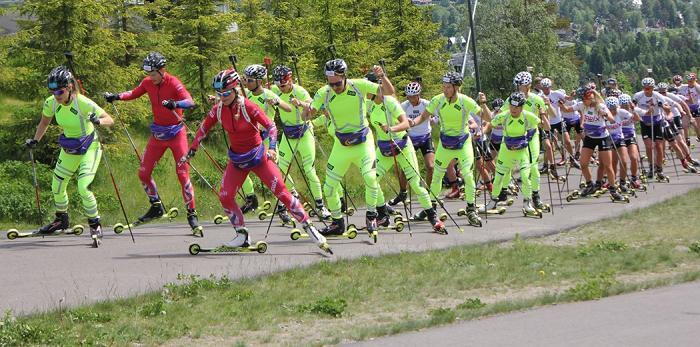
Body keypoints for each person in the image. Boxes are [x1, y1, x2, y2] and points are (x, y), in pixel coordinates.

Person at [184, 69, 331, 253]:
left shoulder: (248, 107)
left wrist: (271, 148)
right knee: (225, 196)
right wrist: (193, 149)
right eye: (219, 93)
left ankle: (311, 230)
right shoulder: (218, 109)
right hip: (237, 160)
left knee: (282, 193)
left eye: (226, 93)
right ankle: (242, 235)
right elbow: (203, 129)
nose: (222, 97)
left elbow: (271, 126)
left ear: (235, 89)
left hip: (259, 157)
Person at [104, 52, 200, 232]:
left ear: (163, 70)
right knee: (143, 173)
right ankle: (156, 206)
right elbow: (134, 93)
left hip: (176, 133)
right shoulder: (148, 82)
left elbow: (190, 102)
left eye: (154, 74)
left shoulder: (174, 82)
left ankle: (192, 214)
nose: (151, 77)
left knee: (182, 174)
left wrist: (175, 104)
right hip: (158, 135)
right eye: (149, 74)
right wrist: (116, 96)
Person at [302, 59, 394, 237]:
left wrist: (381, 76)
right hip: (341, 145)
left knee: (370, 177)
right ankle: (337, 223)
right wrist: (306, 110)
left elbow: (389, 92)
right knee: (329, 187)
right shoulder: (324, 93)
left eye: (337, 83)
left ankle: (372, 216)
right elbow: (307, 114)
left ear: (344, 76)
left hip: (362, 142)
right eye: (331, 84)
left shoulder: (359, 85)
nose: (335, 87)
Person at [26, 66, 114, 244]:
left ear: (69, 87)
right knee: (57, 185)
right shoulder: (51, 103)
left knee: (83, 186)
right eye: (53, 91)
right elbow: (44, 122)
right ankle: (61, 220)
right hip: (70, 148)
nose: (56, 95)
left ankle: (95, 224)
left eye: (59, 91)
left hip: (89, 146)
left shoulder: (82, 103)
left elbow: (109, 119)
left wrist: (98, 121)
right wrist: (35, 140)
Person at [365, 73, 446, 234]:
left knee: (415, 183)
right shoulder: (368, 104)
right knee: (371, 178)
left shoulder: (391, 103)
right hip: (383, 149)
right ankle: (378, 215)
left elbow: (405, 123)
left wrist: (392, 128)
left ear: (375, 88)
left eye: (367, 88)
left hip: (402, 146)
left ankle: (432, 217)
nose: (364, 91)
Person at [411, 72, 489, 227]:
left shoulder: (465, 101)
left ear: (456, 87)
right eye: (444, 86)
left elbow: (488, 118)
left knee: (467, 175)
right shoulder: (438, 100)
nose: (445, 90)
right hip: (445, 144)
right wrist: (412, 123)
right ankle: (430, 209)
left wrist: (484, 103)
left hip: (463, 143)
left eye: (448, 87)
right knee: (437, 176)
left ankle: (471, 210)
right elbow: (424, 116)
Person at [270, 65, 332, 220]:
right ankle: (290, 197)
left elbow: (313, 106)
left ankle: (320, 205)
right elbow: (257, 91)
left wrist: (301, 104)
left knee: (309, 170)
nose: (281, 88)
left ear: (290, 80)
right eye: (278, 85)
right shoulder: (275, 90)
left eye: (283, 85)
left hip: (304, 133)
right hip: (288, 134)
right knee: (280, 170)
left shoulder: (300, 91)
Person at [481, 92, 540, 215]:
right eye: (512, 106)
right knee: (498, 178)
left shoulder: (527, 116)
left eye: (517, 107)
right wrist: (482, 132)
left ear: (522, 106)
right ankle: (492, 202)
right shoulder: (504, 116)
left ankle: (527, 203)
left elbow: (542, 124)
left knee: (525, 177)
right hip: (506, 151)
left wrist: (543, 114)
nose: (513, 109)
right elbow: (490, 124)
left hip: (522, 151)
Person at [388, 80, 436, 209]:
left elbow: (437, 116)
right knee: (406, 168)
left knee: (430, 166)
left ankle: (429, 192)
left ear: (418, 94)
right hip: (410, 139)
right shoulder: (404, 106)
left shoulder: (427, 104)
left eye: (413, 96)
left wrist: (432, 120)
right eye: (409, 96)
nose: (411, 99)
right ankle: (403, 193)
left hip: (426, 137)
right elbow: (396, 117)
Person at [575, 87, 627, 202]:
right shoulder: (582, 105)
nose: (582, 101)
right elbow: (568, 109)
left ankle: (613, 190)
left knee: (607, 166)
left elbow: (612, 119)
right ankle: (590, 185)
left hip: (603, 137)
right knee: (583, 163)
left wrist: (605, 115)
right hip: (590, 137)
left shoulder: (600, 106)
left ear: (589, 97)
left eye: (584, 99)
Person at [633, 78, 672, 182]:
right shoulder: (638, 95)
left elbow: (668, 108)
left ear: (652, 88)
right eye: (645, 88)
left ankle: (659, 169)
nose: (647, 90)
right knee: (649, 146)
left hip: (657, 122)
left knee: (659, 147)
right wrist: (644, 111)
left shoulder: (657, 96)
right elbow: (631, 107)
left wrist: (662, 106)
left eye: (649, 88)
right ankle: (651, 167)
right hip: (645, 122)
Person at [618, 94, 645, 190]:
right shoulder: (617, 111)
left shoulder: (632, 109)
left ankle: (634, 178)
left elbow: (638, 119)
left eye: (626, 105)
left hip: (630, 136)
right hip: (620, 137)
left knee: (634, 157)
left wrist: (633, 109)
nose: (625, 107)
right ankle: (622, 180)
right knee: (622, 160)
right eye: (623, 105)